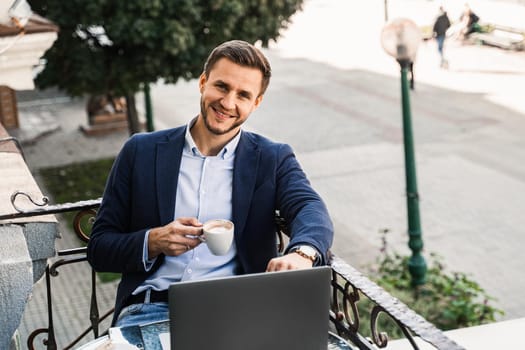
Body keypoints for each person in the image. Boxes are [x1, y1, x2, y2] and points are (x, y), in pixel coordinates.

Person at [87, 40, 334, 328]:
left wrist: (302, 253)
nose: (228, 103)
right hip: (150, 310)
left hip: (238, 311)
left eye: (243, 95)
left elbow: (310, 206)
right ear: (203, 82)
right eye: (222, 86)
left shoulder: (272, 157)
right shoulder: (140, 151)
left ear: (256, 103)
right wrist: (153, 241)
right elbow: (100, 248)